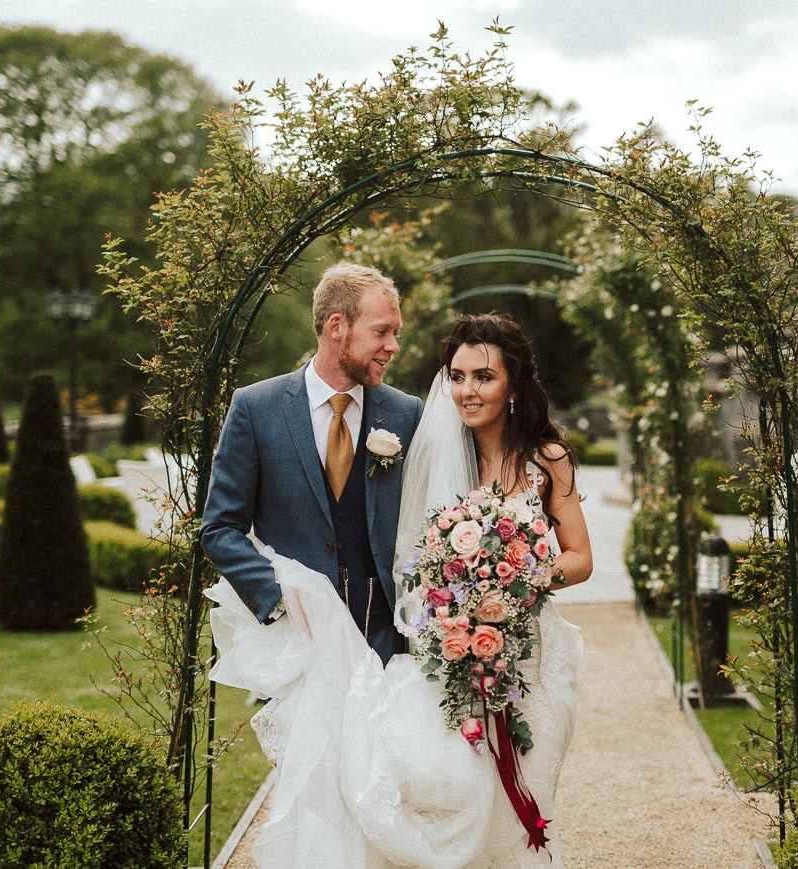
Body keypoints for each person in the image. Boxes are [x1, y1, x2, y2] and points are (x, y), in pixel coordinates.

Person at [206, 311, 591, 869]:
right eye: (457, 376)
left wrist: (514, 575)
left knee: (526, 790)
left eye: (483, 377)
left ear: (513, 385)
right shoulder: (432, 442)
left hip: (527, 650)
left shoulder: (547, 458)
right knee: (454, 785)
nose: (467, 390)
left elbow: (579, 558)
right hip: (450, 647)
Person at [201, 261, 425, 666]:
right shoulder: (256, 408)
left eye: (395, 333)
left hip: (384, 644)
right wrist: (280, 597)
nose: (393, 346)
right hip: (295, 649)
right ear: (337, 326)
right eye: (382, 331)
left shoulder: (406, 413)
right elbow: (220, 528)